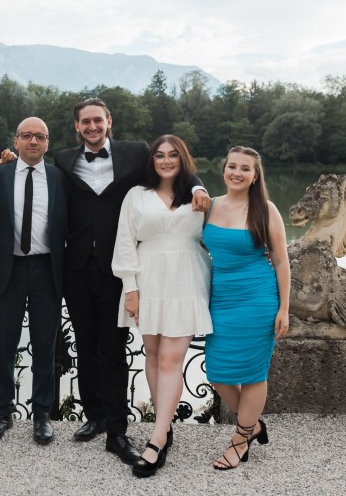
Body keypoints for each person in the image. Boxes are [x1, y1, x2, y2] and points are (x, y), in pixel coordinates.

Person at [54, 98, 210, 465]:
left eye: (98, 120)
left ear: (109, 121)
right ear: (77, 126)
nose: (92, 127)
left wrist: (200, 187)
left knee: (112, 347)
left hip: (118, 266)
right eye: (85, 122)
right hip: (76, 265)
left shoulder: (136, 152)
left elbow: (174, 167)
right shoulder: (62, 160)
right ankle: (95, 416)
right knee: (85, 343)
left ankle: (118, 429)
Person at [111, 135, 213, 477]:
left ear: (183, 159)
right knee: (152, 355)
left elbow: (221, 232)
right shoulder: (136, 195)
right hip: (148, 277)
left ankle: (155, 440)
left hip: (187, 279)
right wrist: (130, 288)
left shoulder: (199, 196)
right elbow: (125, 241)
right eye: (159, 155)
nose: (166, 161)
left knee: (171, 359)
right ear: (151, 160)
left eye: (173, 155)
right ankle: (165, 427)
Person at [201, 145, 290, 471]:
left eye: (245, 168)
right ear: (224, 169)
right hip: (220, 299)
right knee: (218, 373)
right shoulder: (208, 206)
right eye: (232, 166)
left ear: (255, 176)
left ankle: (240, 439)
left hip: (257, 298)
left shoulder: (265, 210)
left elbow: (281, 261)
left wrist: (284, 308)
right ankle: (253, 426)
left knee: (253, 373)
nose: (237, 173)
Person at [0, 117, 68, 445]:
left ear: (47, 143)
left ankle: (42, 414)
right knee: (4, 344)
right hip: (9, 269)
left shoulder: (61, 178)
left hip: (47, 269)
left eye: (40, 137)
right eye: (27, 136)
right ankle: (2, 412)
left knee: (45, 346)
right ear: (15, 141)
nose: (33, 141)